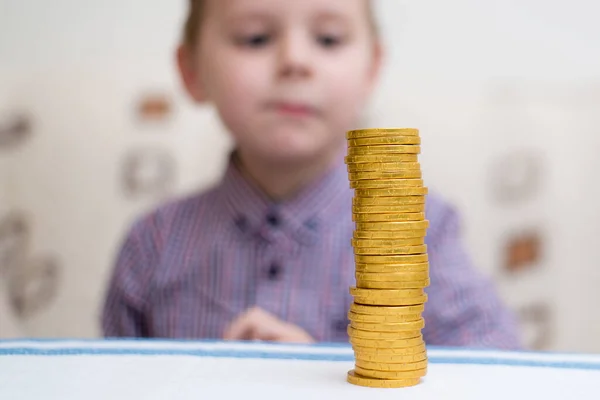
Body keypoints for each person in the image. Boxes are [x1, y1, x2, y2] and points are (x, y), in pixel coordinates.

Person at [102, 0, 521, 348]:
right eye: (255, 38)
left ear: (371, 70)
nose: (295, 62)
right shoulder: (152, 245)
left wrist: (323, 377)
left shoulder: (418, 233)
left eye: (328, 39)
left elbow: (499, 371)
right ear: (192, 71)